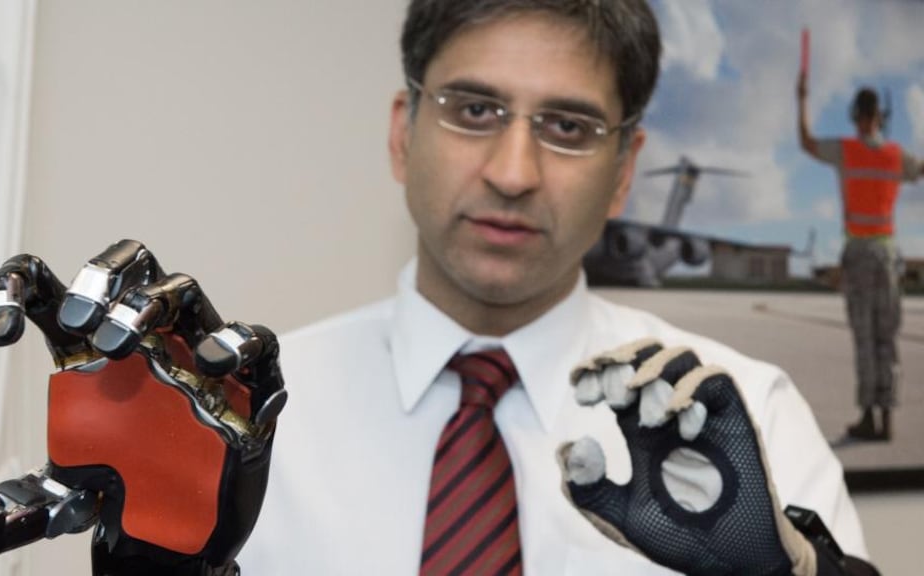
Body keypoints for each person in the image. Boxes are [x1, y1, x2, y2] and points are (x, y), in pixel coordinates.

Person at [235, 1, 870, 574]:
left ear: (624, 171)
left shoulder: (753, 422)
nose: (513, 174)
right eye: (475, 110)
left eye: (568, 127)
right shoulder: (248, 419)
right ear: (404, 135)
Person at [797, 75, 924, 442]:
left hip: (858, 253)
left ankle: (869, 415)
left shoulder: (847, 151)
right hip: (886, 255)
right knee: (887, 338)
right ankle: (887, 418)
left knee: (865, 339)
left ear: (855, 117)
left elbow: (806, 143)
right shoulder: (896, 157)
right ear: (880, 117)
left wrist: (802, 98)